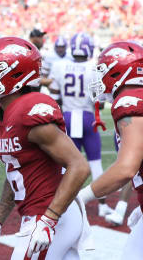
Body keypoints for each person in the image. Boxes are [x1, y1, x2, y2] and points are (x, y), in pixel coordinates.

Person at [0, 37, 91, 260]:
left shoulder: (29, 111)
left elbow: (79, 166)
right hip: (45, 215)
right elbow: (16, 167)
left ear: (15, 75)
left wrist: (48, 220)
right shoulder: (2, 112)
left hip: (52, 215)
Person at [77, 40, 143, 259]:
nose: (98, 78)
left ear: (119, 72)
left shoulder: (129, 101)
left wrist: (82, 196)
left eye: (103, 71)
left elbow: (126, 168)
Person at [47, 33, 113, 217]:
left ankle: (61, 206)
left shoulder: (59, 66)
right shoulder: (94, 68)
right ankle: (102, 206)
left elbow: (54, 95)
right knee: (95, 162)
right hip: (87, 118)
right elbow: (100, 102)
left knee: (67, 164)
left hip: (67, 117)